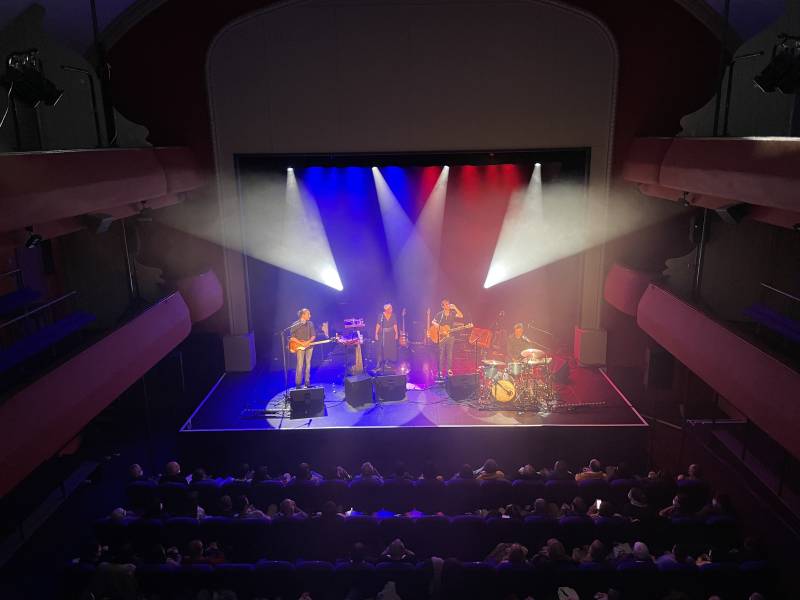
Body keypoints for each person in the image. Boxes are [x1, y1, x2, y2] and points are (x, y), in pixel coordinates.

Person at [431, 298, 464, 377]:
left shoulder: (452, 313)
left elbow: (461, 315)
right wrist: (438, 325)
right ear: (442, 306)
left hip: (451, 337)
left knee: (449, 354)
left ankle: (449, 369)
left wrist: (455, 307)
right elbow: (433, 321)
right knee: (441, 354)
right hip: (441, 337)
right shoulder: (440, 314)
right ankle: (440, 371)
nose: (448, 305)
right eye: (445, 304)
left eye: (448, 303)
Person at [290, 308, 316, 388]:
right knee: (300, 365)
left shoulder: (310, 324)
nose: (310, 316)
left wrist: (307, 342)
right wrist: (301, 343)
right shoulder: (295, 324)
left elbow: (313, 336)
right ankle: (298, 384)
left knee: (308, 364)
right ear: (303, 315)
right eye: (308, 314)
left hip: (309, 346)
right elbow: (292, 338)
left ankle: (307, 382)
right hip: (299, 347)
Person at [375, 303, 399, 371]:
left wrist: (396, 333)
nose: (391, 309)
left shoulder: (393, 315)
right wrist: (376, 333)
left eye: (391, 308)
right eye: (390, 308)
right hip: (383, 334)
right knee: (381, 348)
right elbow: (378, 324)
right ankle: (378, 364)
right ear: (386, 309)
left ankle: (386, 363)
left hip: (391, 334)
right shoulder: (381, 316)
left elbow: (395, 325)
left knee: (388, 349)